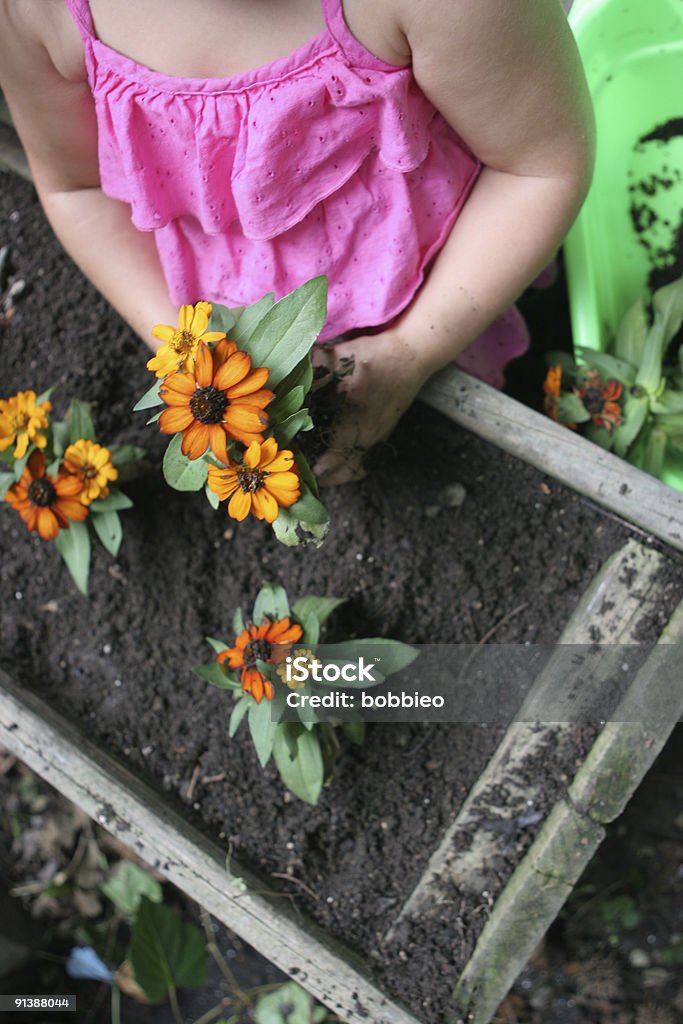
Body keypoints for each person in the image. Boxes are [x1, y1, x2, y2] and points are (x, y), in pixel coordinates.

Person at [0, 0, 594, 484]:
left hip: (449, 287)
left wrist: (411, 353)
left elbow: (537, 168)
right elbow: (77, 189)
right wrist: (199, 357)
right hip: (229, 326)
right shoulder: (39, 12)